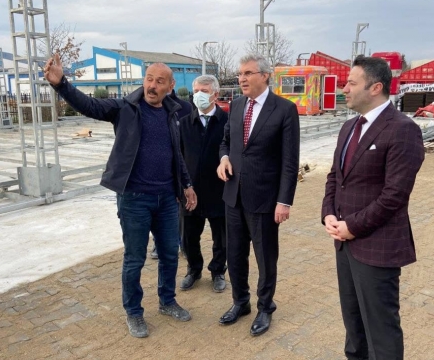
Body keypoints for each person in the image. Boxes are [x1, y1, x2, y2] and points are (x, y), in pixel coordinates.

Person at [43, 54, 197, 338]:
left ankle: (167, 301)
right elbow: (89, 105)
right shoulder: (124, 108)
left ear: (170, 86)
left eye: (159, 81)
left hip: (167, 199)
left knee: (169, 256)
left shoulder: (174, 112)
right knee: (135, 259)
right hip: (135, 199)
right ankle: (134, 312)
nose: (152, 85)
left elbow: (177, 154)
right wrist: (61, 84)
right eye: (149, 79)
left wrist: (186, 184)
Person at [321, 55, 424, 359]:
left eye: (351, 83)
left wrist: (352, 226)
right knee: (354, 326)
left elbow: (395, 195)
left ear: (376, 87)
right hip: (344, 243)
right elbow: (334, 177)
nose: (344, 89)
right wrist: (328, 213)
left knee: (381, 329)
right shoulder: (349, 127)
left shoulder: (403, 129)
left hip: (377, 247)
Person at [216, 54, 300, 336]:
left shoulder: (285, 110)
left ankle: (265, 307)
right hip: (233, 195)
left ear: (265, 75)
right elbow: (226, 140)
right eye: (240, 73)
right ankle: (241, 303)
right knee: (235, 254)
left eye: (248, 73)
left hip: (265, 198)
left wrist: (284, 201)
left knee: (265, 257)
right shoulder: (237, 105)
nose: (241, 78)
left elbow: (290, 160)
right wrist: (224, 157)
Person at [179, 75, 228, 293]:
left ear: (215, 95)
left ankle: (218, 271)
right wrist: (181, 186)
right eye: (196, 90)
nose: (199, 95)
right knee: (189, 236)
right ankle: (194, 269)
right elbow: (178, 157)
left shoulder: (227, 123)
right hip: (191, 192)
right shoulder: (184, 124)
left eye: (205, 91)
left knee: (222, 237)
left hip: (220, 190)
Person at [150, 86, 193, 260]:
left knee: (177, 211)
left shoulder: (185, 107)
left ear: (171, 83)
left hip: (180, 165)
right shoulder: (147, 107)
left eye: (162, 80)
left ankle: (179, 242)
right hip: (158, 170)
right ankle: (158, 243)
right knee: (159, 212)